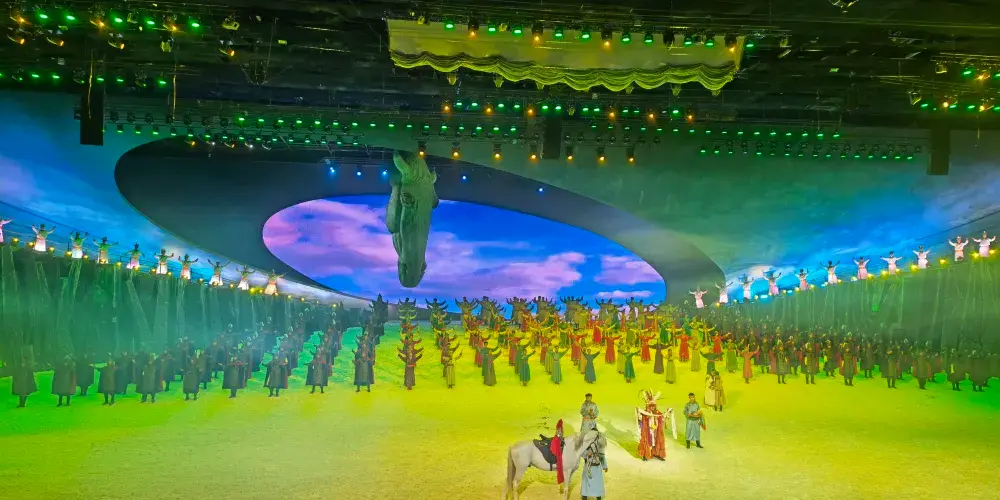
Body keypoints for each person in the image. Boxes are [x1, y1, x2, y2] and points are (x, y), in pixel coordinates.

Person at [637, 389, 666, 461]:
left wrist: (665, 415)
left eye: (653, 406)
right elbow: (641, 419)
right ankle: (645, 454)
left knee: (656, 441)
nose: (652, 407)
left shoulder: (657, 412)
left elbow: (661, 418)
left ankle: (657, 453)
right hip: (648, 430)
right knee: (647, 441)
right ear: (648, 406)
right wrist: (639, 415)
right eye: (651, 406)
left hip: (655, 430)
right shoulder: (645, 413)